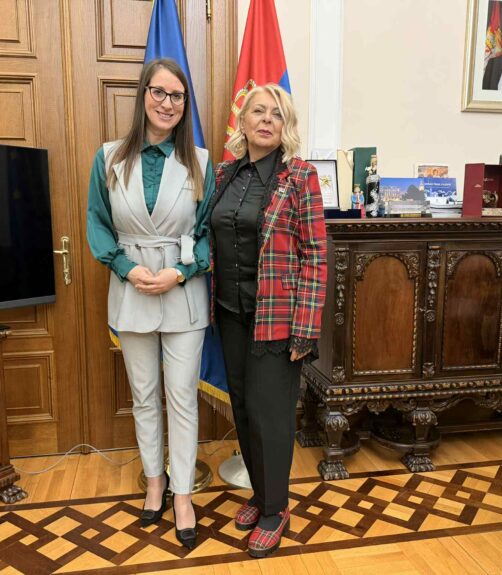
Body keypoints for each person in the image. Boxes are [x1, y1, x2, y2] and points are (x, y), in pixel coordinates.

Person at [86, 57, 214, 551]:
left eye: (176, 96)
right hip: (132, 288)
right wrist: (125, 267)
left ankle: (183, 495)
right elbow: (98, 222)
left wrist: (181, 271)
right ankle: (154, 483)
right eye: (159, 92)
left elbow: (208, 234)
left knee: (181, 397)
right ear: (143, 95)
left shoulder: (201, 162)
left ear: (185, 106)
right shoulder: (109, 158)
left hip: (183, 292)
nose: (167, 103)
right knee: (144, 396)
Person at [209, 84, 327, 558]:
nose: (265, 120)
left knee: (271, 415)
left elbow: (315, 255)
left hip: (276, 318)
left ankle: (276, 509)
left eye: (276, 114)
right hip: (229, 313)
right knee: (242, 408)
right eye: (257, 111)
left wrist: (306, 328)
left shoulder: (300, 177)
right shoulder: (224, 174)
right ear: (242, 120)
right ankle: (260, 496)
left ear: (285, 126)